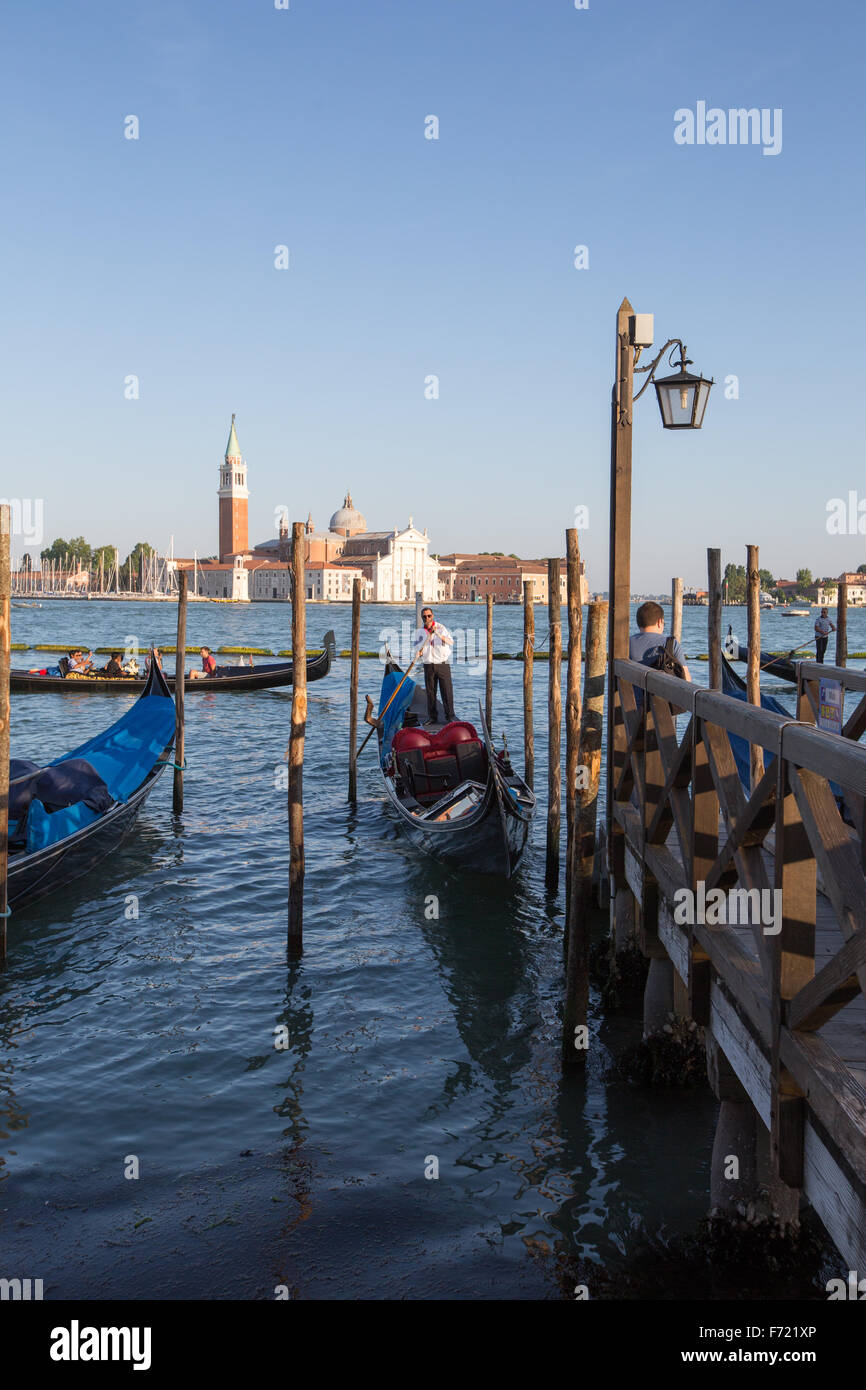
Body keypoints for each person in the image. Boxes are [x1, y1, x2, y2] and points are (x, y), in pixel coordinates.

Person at [413, 605, 455, 725]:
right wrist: (418, 652)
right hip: (428, 664)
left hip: (442, 664)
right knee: (430, 693)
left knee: (446, 692)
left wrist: (437, 634)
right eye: (424, 616)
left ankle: (450, 716)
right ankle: (432, 717)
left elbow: (451, 642)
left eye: (429, 616)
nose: (427, 618)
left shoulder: (441, 628)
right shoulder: (420, 632)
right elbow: (417, 648)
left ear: (433, 616)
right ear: (422, 618)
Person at [629, 602, 691, 681]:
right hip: (662, 692)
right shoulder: (671, 644)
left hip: (632, 693)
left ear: (638, 622)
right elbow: (687, 679)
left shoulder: (627, 643)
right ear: (659, 622)